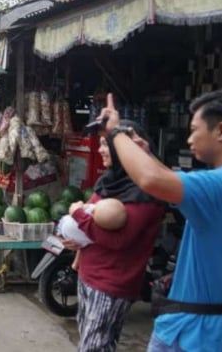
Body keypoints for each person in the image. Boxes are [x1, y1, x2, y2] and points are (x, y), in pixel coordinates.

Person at [96, 91, 222, 352]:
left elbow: (152, 179)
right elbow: (168, 179)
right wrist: (146, 154)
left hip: (196, 335)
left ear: (221, 131)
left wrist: (116, 133)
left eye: (195, 130)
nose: (189, 138)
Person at [60, 120, 164, 352]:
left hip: (112, 282)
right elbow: (89, 219)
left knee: (95, 347)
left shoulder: (146, 193)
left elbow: (119, 240)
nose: (100, 150)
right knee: (91, 343)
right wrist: (74, 242)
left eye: (107, 144)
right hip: (89, 274)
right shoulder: (109, 181)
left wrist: (77, 214)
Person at [58, 196, 127, 270]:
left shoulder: (95, 211)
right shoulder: (105, 224)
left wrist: (78, 210)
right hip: (68, 232)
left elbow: (77, 205)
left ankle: (76, 263)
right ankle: (76, 263)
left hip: (64, 225)